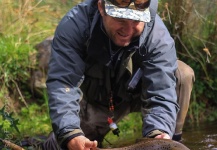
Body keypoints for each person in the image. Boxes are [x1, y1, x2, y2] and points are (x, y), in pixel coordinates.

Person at [42, 0, 195, 149]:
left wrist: (159, 134)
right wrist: (70, 133)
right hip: (94, 101)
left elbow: (161, 93)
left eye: (136, 20)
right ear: (101, 7)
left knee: (182, 74)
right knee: (58, 144)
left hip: (134, 95)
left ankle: (173, 139)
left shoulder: (158, 37)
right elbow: (64, 83)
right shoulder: (75, 25)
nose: (127, 30)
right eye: (120, 19)